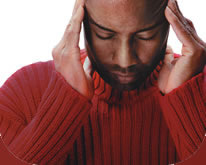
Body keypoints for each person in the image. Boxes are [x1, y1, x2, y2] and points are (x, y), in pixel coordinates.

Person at [0, 0, 205, 164]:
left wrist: (186, 99)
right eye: (105, 36)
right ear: (81, 23)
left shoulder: (200, 89)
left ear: (173, 25)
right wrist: (63, 103)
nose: (125, 61)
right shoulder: (24, 92)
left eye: (146, 36)